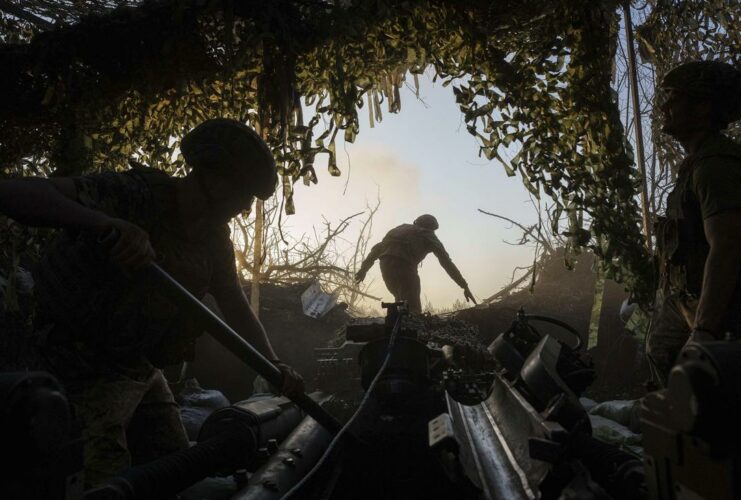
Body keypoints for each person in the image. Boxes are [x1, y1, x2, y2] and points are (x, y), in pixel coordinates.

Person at [0, 118, 303, 486]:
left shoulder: (212, 237)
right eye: (242, 194)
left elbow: (234, 303)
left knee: (176, 469)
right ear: (213, 176)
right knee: (101, 480)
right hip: (77, 364)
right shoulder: (135, 194)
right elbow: (14, 192)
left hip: (139, 367)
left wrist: (272, 363)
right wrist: (103, 224)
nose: (243, 208)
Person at [646, 61, 741, 387]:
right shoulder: (698, 165)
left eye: (674, 99)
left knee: (713, 394)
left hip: (721, 308)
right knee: (663, 357)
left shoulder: (715, 168)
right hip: (688, 299)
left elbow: (725, 246)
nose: (665, 107)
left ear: (701, 108)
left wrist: (704, 330)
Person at [355, 214, 476, 313]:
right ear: (431, 228)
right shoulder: (427, 234)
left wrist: (363, 270)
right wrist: (463, 285)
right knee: (412, 308)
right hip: (405, 267)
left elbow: (376, 249)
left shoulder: (398, 229)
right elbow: (446, 261)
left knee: (400, 301)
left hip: (385, 267)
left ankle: (395, 334)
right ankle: (410, 336)